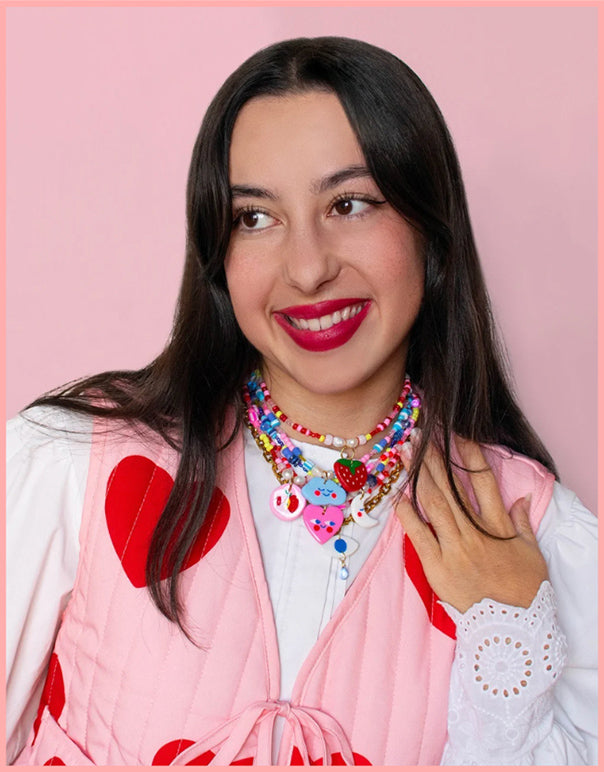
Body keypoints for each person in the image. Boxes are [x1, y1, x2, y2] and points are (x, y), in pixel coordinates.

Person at [6, 37, 596, 766]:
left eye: (349, 204)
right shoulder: (72, 465)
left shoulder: (533, 531)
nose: (309, 268)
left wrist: (509, 630)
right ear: (216, 254)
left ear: (429, 230)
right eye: (254, 218)